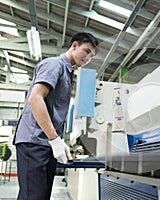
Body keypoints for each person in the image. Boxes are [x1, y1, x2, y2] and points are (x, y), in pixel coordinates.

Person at [13, 32, 98, 200]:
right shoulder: (54, 65)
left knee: (40, 196)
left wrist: (57, 141)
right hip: (34, 141)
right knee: (33, 196)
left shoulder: (68, 73)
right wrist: (54, 139)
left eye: (91, 56)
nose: (88, 58)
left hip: (45, 143)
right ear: (74, 46)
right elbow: (35, 99)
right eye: (86, 51)